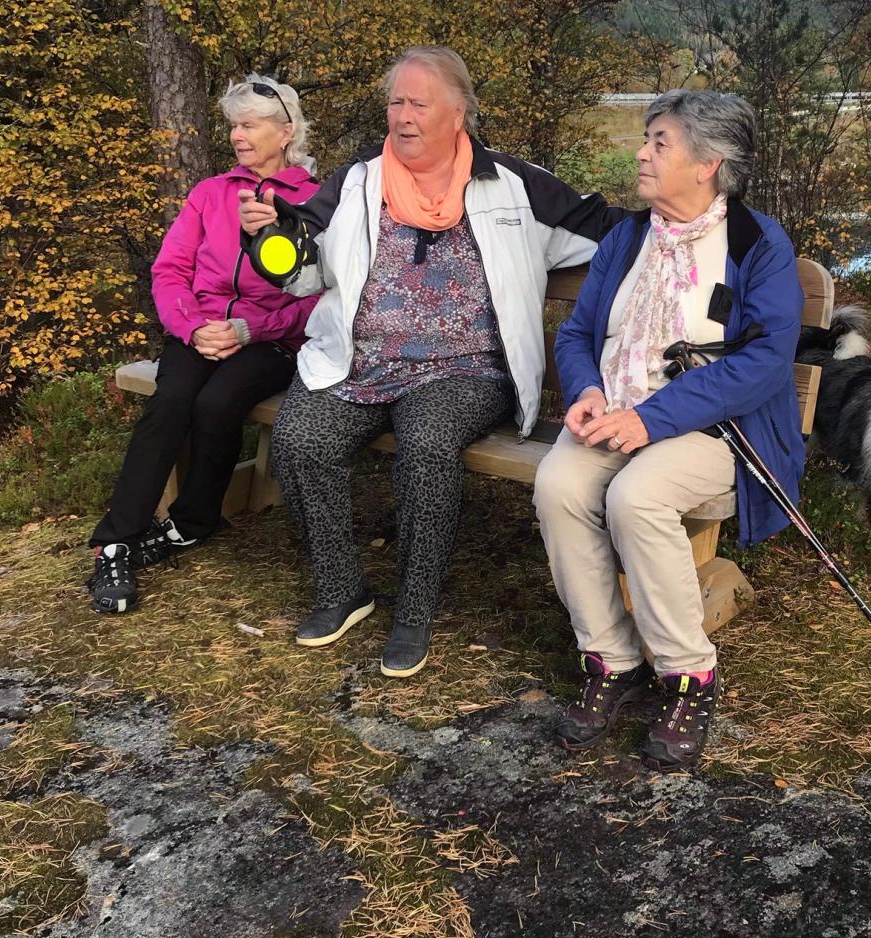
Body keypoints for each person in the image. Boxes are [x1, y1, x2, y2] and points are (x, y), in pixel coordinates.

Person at [239, 45, 624, 674]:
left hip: (466, 369)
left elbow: (603, 228)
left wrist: (699, 228)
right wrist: (267, 239)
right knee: (301, 438)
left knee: (425, 442)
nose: (403, 116)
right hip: (360, 362)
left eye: (420, 103)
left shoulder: (512, 184)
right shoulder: (356, 182)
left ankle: (415, 611)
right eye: (396, 102)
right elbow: (299, 267)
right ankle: (343, 591)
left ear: (460, 112)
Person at [532, 90, 804, 771]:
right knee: (558, 482)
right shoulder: (628, 237)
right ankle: (613, 659)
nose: (641, 154)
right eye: (646, 139)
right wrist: (589, 389)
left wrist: (651, 418)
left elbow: (765, 361)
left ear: (708, 162)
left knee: (637, 496)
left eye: (660, 142)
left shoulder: (756, 244)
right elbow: (581, 332)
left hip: (715, 428)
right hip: (619, 409)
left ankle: (689, 676)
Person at [87, 76, 320, 614]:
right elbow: (170, 271)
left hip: (272, 338)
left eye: (250, 124)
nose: (237, 135)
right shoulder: (210, 193)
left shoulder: (315, 202)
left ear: (285, 132)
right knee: (169, 402)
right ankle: (116, 542)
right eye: (234, 125)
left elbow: (326, 298)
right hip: (199, 327)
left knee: (218, 403)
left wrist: (251, 330)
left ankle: (193, 522)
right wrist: (192, 327)